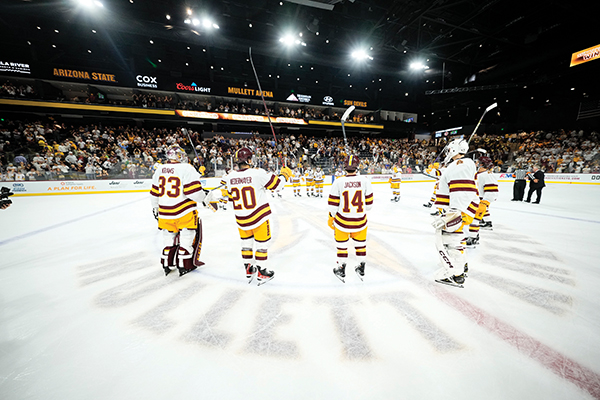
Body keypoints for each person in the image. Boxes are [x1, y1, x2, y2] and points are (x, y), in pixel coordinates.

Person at [221, 147, 282, 286]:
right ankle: (262, 271)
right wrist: (284, 175)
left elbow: (230, 200)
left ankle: (249, 269)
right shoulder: (258, 173)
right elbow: (277, 185)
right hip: (259, 217)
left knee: (246, 243)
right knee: (262, 245)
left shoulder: (229, 177)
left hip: (241, 219)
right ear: (248, 160)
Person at [150, 144, 209, 277]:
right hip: (184, 211)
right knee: (187, 237)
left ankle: (167, 263)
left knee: (168, 239)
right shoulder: (187, 168)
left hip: (164, 212)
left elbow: (154, 192)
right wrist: (204, 198)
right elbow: (192, 192)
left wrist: (155, 208)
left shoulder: (160, 169)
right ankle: (184, 264)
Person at [432, 138, 479, 288]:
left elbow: (462, 190)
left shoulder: (460, 164)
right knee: (457, 239)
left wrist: (453, 213)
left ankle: (456, 274)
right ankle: (462, 267)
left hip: (457, 209)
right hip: (458, 209)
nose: (447, 152)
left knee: (451, 241)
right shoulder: (461, 164)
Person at [329, 155, 374, 283]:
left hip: (342, 222)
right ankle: (361, 267)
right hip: (360, 222)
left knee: (342, 247)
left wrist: (332, 217)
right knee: (360, 245)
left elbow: (332, 206)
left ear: (344, 166)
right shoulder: (365, 181)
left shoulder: (338, 181)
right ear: (357, 166)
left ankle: (341, 269)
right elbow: (369, 206)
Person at [466, 156, 499, 246]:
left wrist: (485, 202)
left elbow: (492, 191)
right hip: (476, 199)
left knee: (474, 219)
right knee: (472, 218)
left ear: (482, 164)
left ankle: (473, 237)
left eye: (478, 162)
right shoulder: (479, 174)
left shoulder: (487, 175)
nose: (476, 164)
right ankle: (474, 234)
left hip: (481, 200)